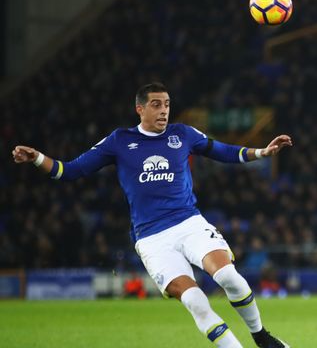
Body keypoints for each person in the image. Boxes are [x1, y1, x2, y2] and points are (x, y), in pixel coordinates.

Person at [12, 83, 292, 348]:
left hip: (188, 222)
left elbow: (223, 151)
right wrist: (37, 157)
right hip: (151, 238)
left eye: (167, 104)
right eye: (156, 105)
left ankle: (261, 336)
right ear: (140, 109)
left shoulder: (182, 134)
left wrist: (262, 152)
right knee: (195, 300)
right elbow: (69, 170)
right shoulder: (119, 140)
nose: (164, 111)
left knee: (229, 276)